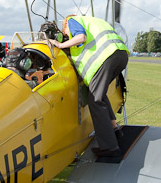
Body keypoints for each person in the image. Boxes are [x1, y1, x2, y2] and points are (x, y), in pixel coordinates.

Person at [47, 14, 129, 163]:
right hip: (120, 55)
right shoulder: (93, 21)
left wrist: (59, 45)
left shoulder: (72, 20)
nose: (65, 35)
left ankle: (110, 148)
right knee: (99, 94)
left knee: (95, 100)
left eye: (64, 32)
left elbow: (81, 38)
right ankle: (115, 130)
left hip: (107, 57)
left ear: (65, 24)